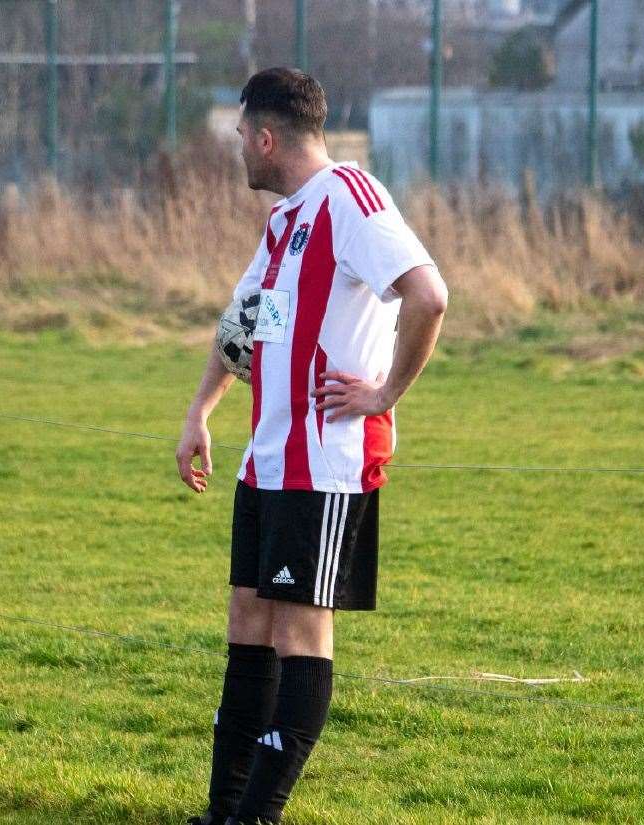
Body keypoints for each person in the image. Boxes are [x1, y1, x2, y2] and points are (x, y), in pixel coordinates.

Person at [175, 68, 448, 825]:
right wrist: (201, 409)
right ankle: (223, 812)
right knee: (247, 623)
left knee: (300, 630)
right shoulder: (284, 222)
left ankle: (258, 816)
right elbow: (241, 327)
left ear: (266, 138)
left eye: (239, 138)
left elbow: (430, 294)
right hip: (263, 462)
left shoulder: (351, 200)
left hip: (322, 464)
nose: (237, 150)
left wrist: (385, 393)